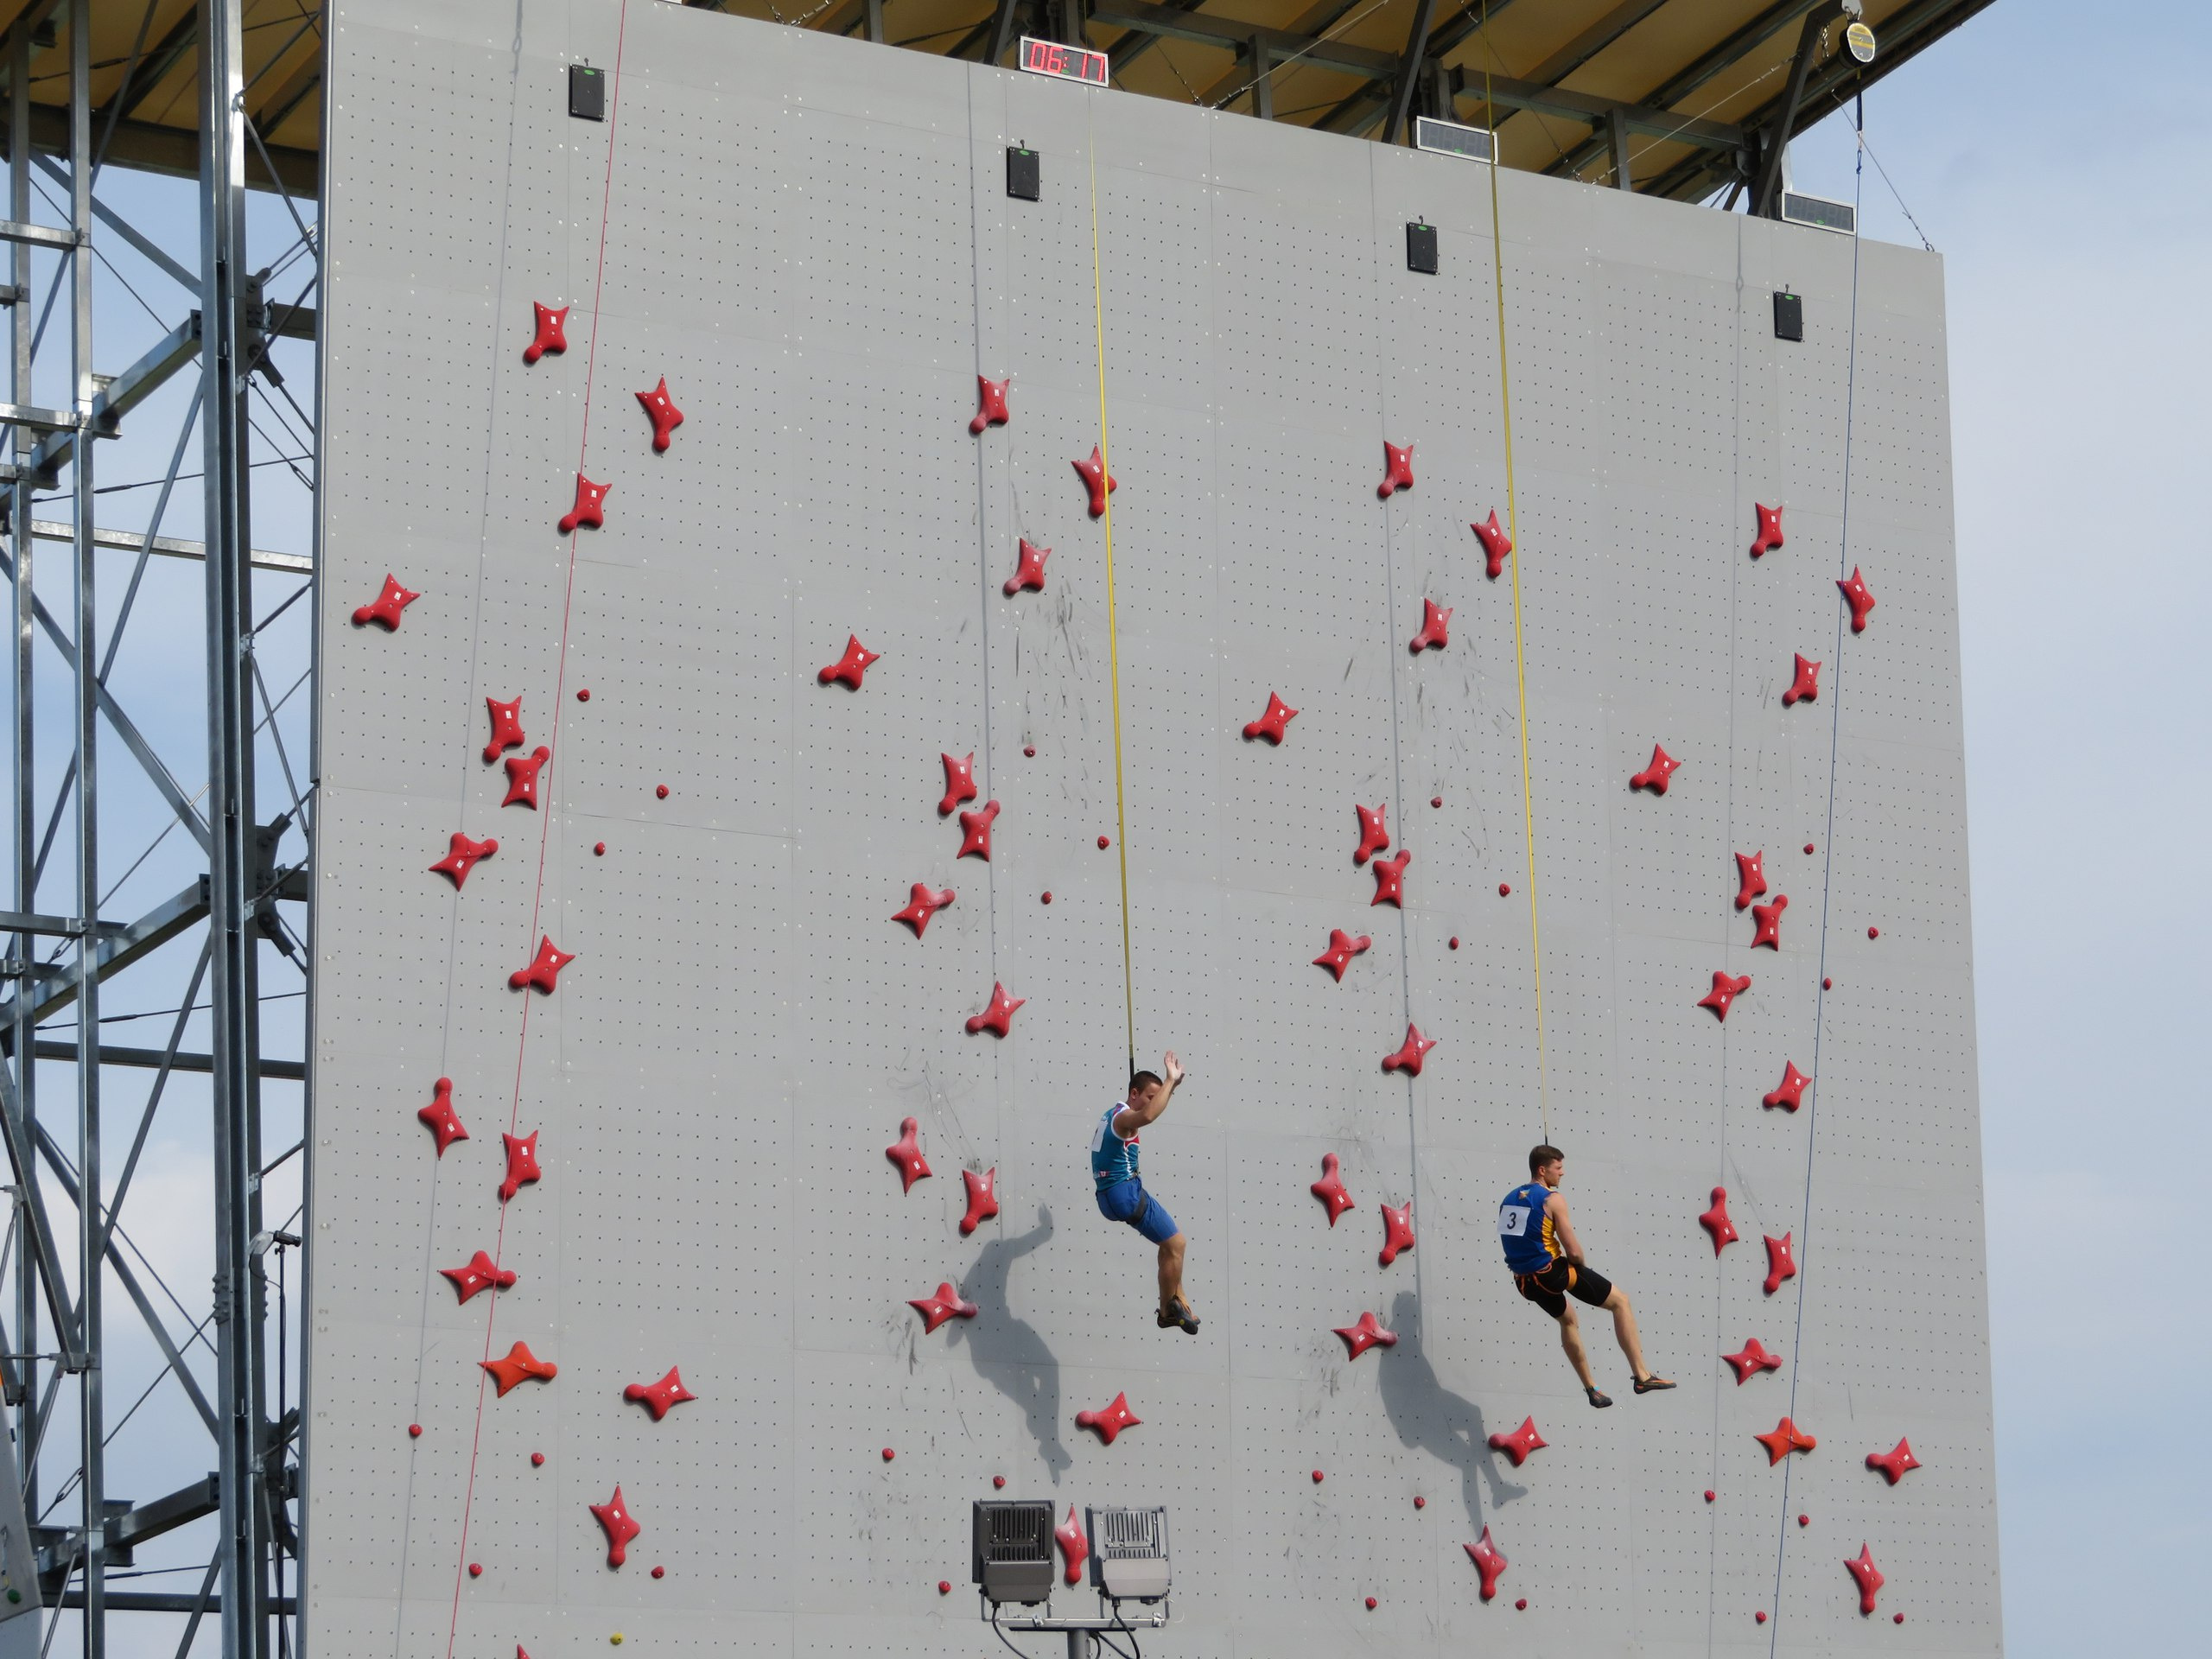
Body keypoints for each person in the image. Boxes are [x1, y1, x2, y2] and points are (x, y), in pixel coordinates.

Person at [1497, 1144, 1673, 1408]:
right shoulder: (1552, 1199)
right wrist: (1578, 1263)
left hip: (1524, 1282)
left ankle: (1592, 1390)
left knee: (1568, 1320)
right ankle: (1642, 1376)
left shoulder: (1509, 1199)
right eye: (1559, 1168)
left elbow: (1512, 1240)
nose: (1563, 1173)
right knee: (1620, 1302)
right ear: (1542, 1170)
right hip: (1550, 1274)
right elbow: (1575, 1252)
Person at [1092, 1052, 1198, 1333]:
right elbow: (1149, 1114)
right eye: (1150, 1096)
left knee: (1169, 1244)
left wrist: (1170, 1088)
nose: (1155, 1102)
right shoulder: (1124, 1118)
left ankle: (1179, 1300)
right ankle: (1167, 1311)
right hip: (1124, 1194)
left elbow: (1150, 1109)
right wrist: (1169, 1079)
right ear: (1134, 1093)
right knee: (1178, 1245)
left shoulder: (1110, 1116)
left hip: (1109, 1197)